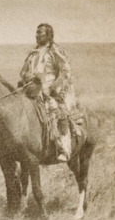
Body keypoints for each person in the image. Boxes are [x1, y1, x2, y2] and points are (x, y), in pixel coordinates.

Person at [19, 23, 77, 162]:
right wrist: (30, 77)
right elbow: (23, 71)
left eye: (40, 33)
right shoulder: (33, 52)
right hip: (31, 87)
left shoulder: (55, 51)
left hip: (50, 88)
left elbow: (65, 71)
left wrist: (53, 88)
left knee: (55, 109)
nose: (37, 35)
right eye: (36, 32)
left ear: (48, 35)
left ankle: (64, 148)